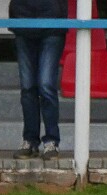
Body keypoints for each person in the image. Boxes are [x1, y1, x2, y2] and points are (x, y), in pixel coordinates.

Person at [10, 0, 66, 160]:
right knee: (28, 87)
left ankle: (51, 141)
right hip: (23, 23)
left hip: (52, 25)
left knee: (46, 85)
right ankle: (30, 140)